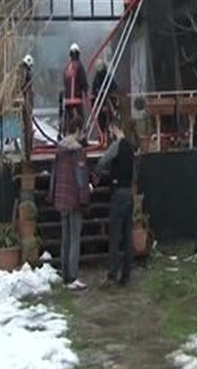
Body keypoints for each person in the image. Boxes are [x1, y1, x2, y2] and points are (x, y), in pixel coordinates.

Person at [48, 119, 91, 290]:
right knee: (75, 239)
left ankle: (65, 274)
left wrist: (52, 195)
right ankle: (73, 277)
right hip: (73, 199)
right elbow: (81, 178)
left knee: (65, 238)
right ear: (78, 131)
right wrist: (84, 198)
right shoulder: (77, 152)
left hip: (61, 198)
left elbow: (54, 175)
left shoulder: (59, 150)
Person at [94, 124, 136, 287]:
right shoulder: (131, 147)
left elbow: (104, 160)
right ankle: (126, 274)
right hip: (128, 193)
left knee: (115, 236)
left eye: (111, 130)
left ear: (117, 130)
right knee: (127, 236)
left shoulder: (117, 145)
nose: (110, 133)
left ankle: (112, 274)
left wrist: (96, 173)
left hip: (118, 194)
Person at [62, 43, 88, 135]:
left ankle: (67, 136)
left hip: (68, 101)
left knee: (69, 121)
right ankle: (80, 136)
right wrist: (86, 92)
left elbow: (64, 82)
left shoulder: (66, 68)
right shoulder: (79, 66)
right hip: (77, 100)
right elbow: (83, 81)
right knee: (79, 121)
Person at [91, 59, 119, 143]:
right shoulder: (96, 79)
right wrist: (95, 104)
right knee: (101, 123)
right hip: (100, 105)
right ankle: (102, 139)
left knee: (110, 123)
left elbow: (114, 88)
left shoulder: (108, 77)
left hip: (109, 104)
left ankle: (110, 139)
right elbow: (94, 91)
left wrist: (110, 98)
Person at [19, 54, 34, 158]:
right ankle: (28, 152)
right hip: (26, 102)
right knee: (28, 128)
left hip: (24, 102)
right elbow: (25, 88)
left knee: (27, 128)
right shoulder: (25, 72)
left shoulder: (20, 71)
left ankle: (27, 151)